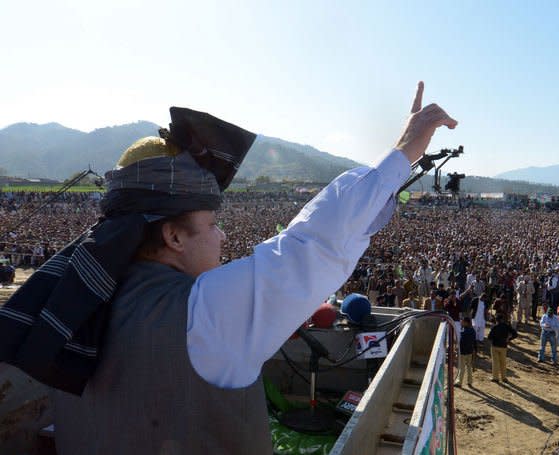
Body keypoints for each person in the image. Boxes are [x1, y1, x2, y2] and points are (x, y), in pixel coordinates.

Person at [42, 83, 457, 454]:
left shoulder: (73, 301)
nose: (222, 237)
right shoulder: (203, 312)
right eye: (211, 224)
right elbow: (314, 243)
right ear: (173, 237)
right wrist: (405, 150)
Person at [488, 312, 516, 382]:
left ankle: (495, 377)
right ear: (502, 319)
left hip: (495, 346)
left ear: (496, 320)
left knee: (495, 362)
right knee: (503, 362)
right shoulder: (506, 326)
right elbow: (515, 334)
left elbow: (489, 337)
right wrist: (509, 339)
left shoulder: (495, 327)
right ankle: (504, 378)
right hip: (503, 346)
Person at [455, 317, 476, 388]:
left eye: (463, 322)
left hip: (463, 352)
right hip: (470, 351)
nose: (461, 322)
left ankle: (459, 382)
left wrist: (458, 350)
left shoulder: (464, 332)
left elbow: (461, 342)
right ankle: (470, 381)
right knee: (469, 367)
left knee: (462, 367)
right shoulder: (472, 330)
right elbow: (474, 342)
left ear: (466, 323)